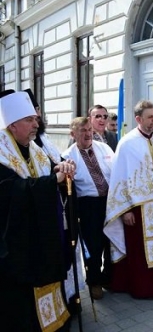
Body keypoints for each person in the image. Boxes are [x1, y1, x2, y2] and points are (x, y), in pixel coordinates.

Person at [0, 90, 76, 331]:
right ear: (12, 125)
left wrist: (62, 169)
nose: (36, 124)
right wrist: (52, 181)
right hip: (17, 245)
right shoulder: (2, 154)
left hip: (43, 239)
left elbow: (51, 174)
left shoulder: (36, 149)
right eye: (29, 120)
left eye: (36, 119)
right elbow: (11, 192)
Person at [104, 100, 153, 299]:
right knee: (139, 252)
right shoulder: (127, 143)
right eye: (150, 117)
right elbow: (119, 179)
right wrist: (125, 211)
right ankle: (141, 288)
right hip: (137, 210)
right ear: (138, 119)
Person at [62, 117, 114, 300]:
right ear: (73, 134)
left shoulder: (104, 148)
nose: (87, 133)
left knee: (111, 239)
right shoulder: (68, 156)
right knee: (93, 244)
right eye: (82, 130)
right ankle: (94, 281)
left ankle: (108, 276)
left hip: (109, 201)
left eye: (89, 129)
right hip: (88, 205)